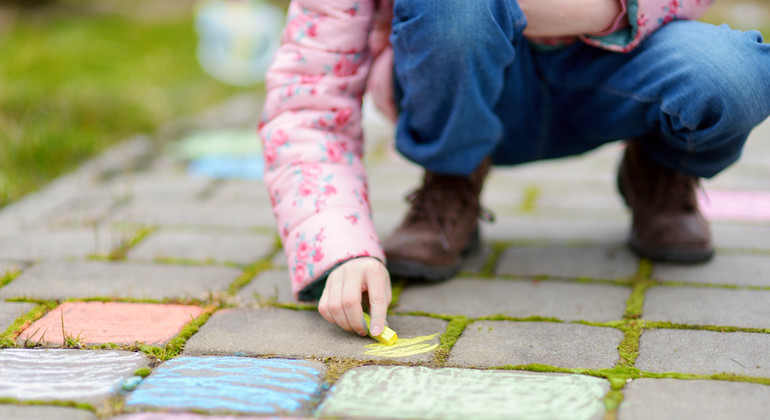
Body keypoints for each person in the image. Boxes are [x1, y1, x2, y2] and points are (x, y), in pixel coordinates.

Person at [258, 0, 770, 338]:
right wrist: (341, 250)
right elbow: (309, 101)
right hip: (469, 87)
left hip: (616, 71)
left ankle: (659, 171)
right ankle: (453, 177)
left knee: (735, 76)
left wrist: (606, 8)